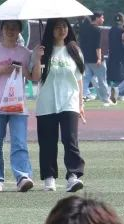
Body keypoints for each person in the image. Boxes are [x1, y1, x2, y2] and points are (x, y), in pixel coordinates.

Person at [31, 18, 86, 193]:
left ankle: (73, 176)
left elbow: (79, 79)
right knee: (47, 142)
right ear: (50, 30)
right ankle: (49, 177)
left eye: (64, 26)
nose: (61, 30)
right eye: (57, 27)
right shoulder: (41, 51)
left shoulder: (74, 50)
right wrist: (37, 58)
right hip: (46, 102)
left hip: (69, 101)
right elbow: (35, 78)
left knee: (70, 140)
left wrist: (80, 103)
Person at [0, 19, 35, 194]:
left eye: (15, 28)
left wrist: (24, 66)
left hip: (18, 104)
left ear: (20, 31)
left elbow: (32, 77)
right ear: (2, 30)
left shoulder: (25, 53)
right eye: (7, 27)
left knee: (19, 142)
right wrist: (2, 70)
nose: (11, 31)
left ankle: (23, 176)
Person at [79, 12, 111, 105]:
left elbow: (82, 43)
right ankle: (105, 99)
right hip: (95, 59)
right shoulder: (97, 30)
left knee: (86, 79)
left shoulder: (84, 28)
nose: (103, 19)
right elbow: (98, 46)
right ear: (97, 18)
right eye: (102, 17)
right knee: (102, 80)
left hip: (86, 58)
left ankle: (82, 97)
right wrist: (99, 58)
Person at [106, 13, 124, 103]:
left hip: (112, 55)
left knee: (111, 75)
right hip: (121, 56)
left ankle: (110, 93)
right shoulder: (123, 30)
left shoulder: (111, 30)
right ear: (123, 20)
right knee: (121, 75)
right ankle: (120, 94)